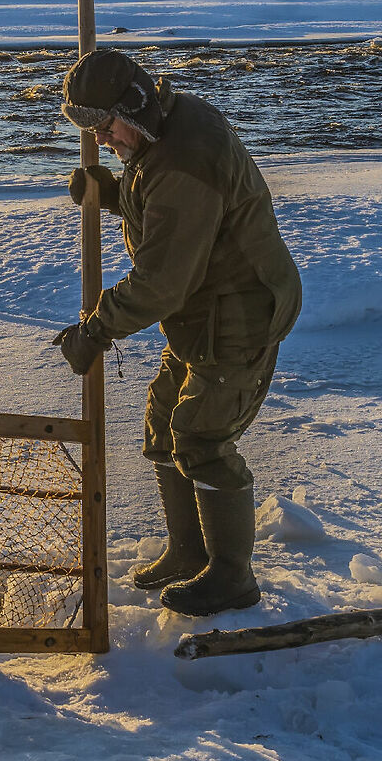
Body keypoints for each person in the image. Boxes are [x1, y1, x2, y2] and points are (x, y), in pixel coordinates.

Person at [52, 48, 302, 616]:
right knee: (166, 415)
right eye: (93, 132)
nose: (105, 142)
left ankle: (232, 577)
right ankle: (189, 552)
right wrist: (113, 194)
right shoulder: (164, 131)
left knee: (201, 436)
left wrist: (96, 330)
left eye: (105, 126)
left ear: (133, 106)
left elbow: (163, 279)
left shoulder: (185, 157)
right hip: (203, 311)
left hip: (238, 312)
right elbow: (167, 213)